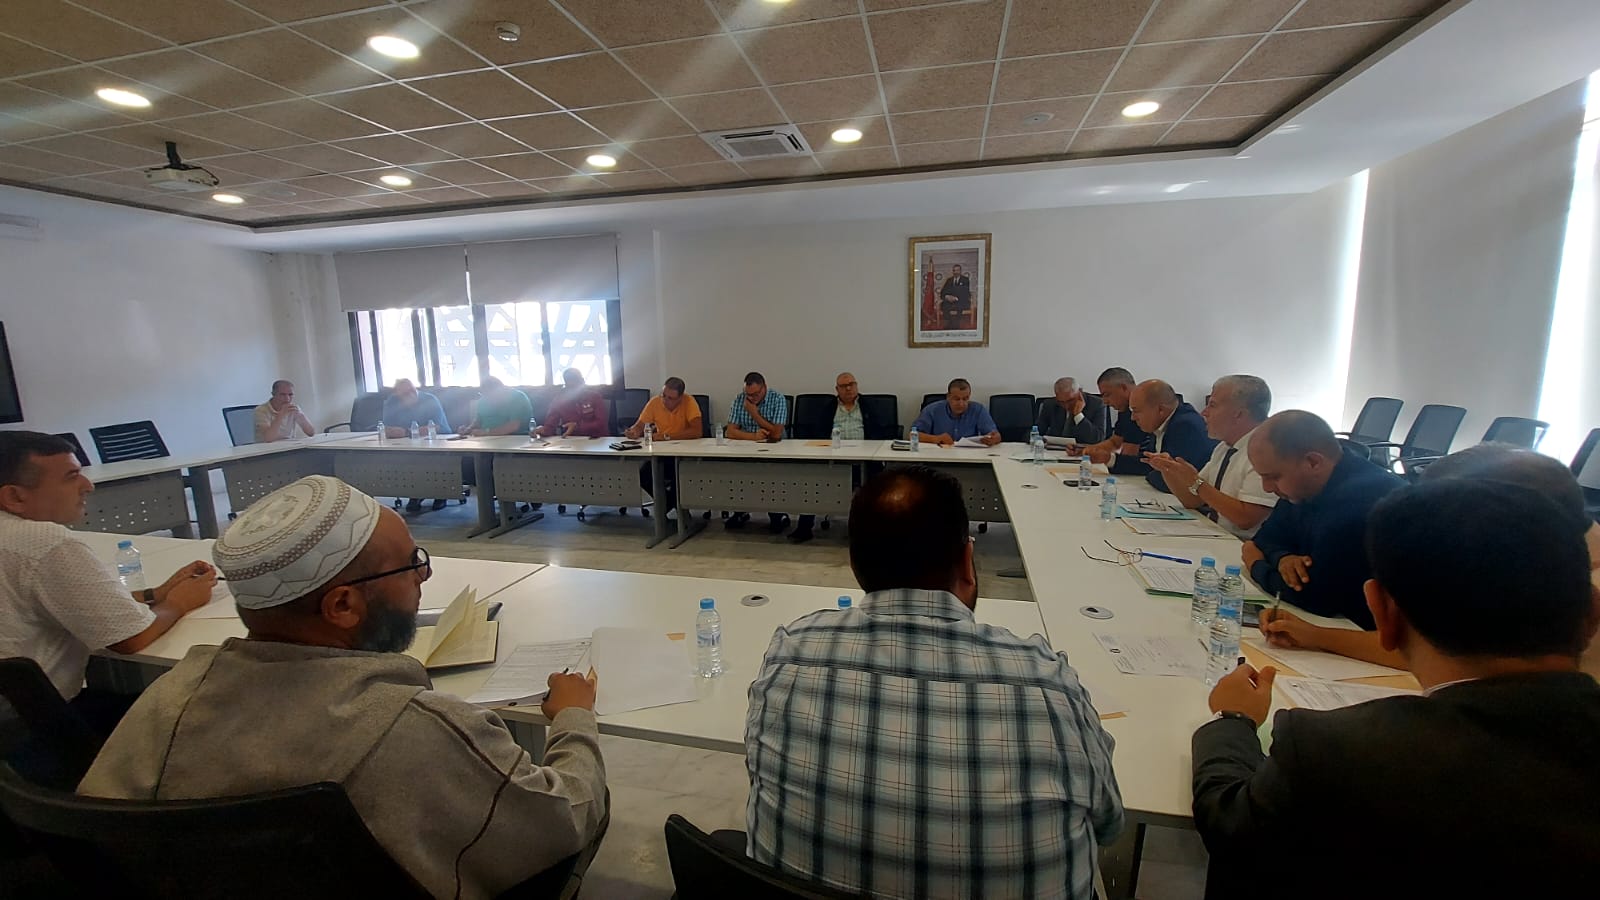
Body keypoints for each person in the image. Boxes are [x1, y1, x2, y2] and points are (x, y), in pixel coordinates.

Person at [78, 476, 609, 899]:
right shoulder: (417, 728)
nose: (421, 579)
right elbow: (564, 818)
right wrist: (574, 718)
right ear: (343, 606)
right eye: (412, 566)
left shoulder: (166, 700)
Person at [1192, 478, 1600, 898]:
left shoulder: (1334, 751)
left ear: (1382, 613)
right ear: (1593, 612)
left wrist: (1232, 720)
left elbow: (1228, 823)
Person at [745, 466, 1123, 898]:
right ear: (967, 561)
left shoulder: (790, 657)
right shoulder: (1047, 684)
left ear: (854, 564)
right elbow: (1109, 824)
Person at [1263, 443, 1600, 673]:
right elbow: (1442, 646)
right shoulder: (1542, 559)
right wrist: (1315, 635)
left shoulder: (1555, 585)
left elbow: (1461, 657)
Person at [0, 432, 216, 732]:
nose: (88, 485)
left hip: (15, 718)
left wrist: (157, 593)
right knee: (207, 711)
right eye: (71, 476)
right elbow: (130, 638)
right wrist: (180, 602)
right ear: (14, 497)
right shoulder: (44, 542)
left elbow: (65, 601)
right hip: (36, 729)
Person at [1243, 410, 1402, 629]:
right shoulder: (1300, 487)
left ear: (1313, 462)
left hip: (1371, 631)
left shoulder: (1358, 503)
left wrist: (1255, 564)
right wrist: (1283, 558)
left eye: (1273, 477)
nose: (1267, 488)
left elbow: (1314, 598)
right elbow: (1265, 539)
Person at [1146, 375, 1276, 539]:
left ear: (1239, 414)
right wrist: (1168, 470)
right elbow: (1193, 500)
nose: (1204, 412)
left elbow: (1245, 519)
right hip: (1215, 534)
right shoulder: (1224, 447)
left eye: (1212, 405)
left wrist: (1195, 482)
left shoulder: (1265, 451)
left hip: (1241, 544)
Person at [789, 372, 886, 544]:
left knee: (877, 487)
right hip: (833, 459)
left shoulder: (868, 405)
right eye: (843, 386)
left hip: (865, 460)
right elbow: (819, 433)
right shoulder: (828, 408)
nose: (848, 388)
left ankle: (871, 531)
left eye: (851, 384)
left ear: (856, 386)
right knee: (811, 482)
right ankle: (804, 528)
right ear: (837, 389)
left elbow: (879, 432)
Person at [725, 371, 791, 533]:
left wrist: (754, 413)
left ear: (764, 388)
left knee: (770, 475)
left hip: (774, 449)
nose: (752, 398)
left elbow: (777, 433)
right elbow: (730, 432)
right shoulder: (740, 399)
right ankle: (740, 511)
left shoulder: (778, 399)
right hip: (746, 448)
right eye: (749, 394)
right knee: (738, 473)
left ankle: (776, 514)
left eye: (755, 394)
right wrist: (753, 437)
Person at [626, 377, 703, 515]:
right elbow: (639, 425)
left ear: (680, 398)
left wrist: (666, 436)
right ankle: (668, 506)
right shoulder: (655, 402)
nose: (665, 400)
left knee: (679, 477)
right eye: (663, 395)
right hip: (662, 453)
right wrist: (634, 432)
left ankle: (668, 510)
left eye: (670, 398)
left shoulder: (689, 402)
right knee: (643, 475)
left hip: (685, 454)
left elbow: (697, 431)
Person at [1127, 379, 1216, 493]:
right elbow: (1147, 463)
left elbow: (1173, 481)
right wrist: (1111, 459)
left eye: (1136, 411)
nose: (1133, 418)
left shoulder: (1185, 426)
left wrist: (1151, 474)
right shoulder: (1160, 422)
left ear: (1160, 409)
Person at [381, 378, 453, 512]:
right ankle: (415, 493)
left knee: (429, 458)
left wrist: (407, 432)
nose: (410, 394)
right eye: (405, 393)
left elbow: (435, 427)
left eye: (412, 390)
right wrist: (392, 431)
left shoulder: (429, 400)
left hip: (438, 439)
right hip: (407, 442)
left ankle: (441, 494)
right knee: (404, 459)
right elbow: (386, 427)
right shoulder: (392, 401)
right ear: (397, 394)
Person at [1079, 367, 1151, 476]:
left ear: (1123, 388)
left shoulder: (1139, 410)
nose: (1105, 402)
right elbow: (1115, 442)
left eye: (1107, 395)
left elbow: (1129, 454)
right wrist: (1087, 450)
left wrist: (1108, 459)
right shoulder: (1124, 409)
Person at [912, 377, 1000, 447]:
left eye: (965, 399)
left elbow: (996, 435)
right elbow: (913, 435)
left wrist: (994, 438)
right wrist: (937, 438)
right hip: (940, 454)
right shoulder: (932, 410)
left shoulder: (978, 410)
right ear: (948, 397)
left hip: (969, 456)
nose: (961, 404)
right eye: (957, 399)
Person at [538, 368, 609, 439]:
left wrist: (577, 427)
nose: (575, 390)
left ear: (583, 382)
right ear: (566, 385)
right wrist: (542, 430)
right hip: (571, 440)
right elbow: (550, 426)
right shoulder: (559, 400)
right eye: (570, 387)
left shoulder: (595, 397)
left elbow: (601, 423)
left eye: (577, 384)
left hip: (596, 439)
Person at [1035, 376, 1106, 445]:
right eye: (1061, 402)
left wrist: (1078, 415)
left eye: (1070, 400)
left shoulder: (1096, 404)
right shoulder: (1050, 404)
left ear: (1080, 392)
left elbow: (1097, 439)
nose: (1067, 406)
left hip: (1082, 450)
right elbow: (1037, 431)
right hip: (1054, 449)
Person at [465, 376, 533, 437]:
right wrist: (468, 429)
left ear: (501, 390)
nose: (487, 398)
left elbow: (513, 426)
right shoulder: (483, 399)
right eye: (485, 394)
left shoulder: (518, 398)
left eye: (490, 394)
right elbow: (478, 421)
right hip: (484, 440)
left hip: (513, 438)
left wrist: (486, 432)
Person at [939, 263, 972, 329]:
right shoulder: (949, 280)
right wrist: (947, 296)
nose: (955, 272)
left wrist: (956, 298)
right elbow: (943, 292)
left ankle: (956, 325)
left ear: (960, 271)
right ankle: (949, 323)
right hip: (950, 300)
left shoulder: (965, 280)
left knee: (959, 305)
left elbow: (965, 292)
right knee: (944, 305)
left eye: (957, 270)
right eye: (954, 270)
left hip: (961, 300)